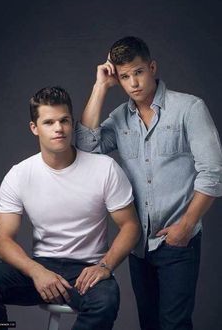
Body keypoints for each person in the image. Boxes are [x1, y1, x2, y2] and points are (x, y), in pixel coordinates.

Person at [75, 36, 222, 330]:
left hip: (178, 239)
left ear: (152, 67)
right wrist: (100, 86)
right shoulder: (119, 119)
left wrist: (186, 225)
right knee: (149, 324)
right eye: (125, 76)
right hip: (138, 246)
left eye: (139, 72)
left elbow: (213, 172)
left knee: (174, 324)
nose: (134, 83)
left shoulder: (189, 108)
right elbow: (86, 145)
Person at [0, 87, 141, 330]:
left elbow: (131, 226)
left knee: (106, 300)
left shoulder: (104, 168)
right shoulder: (19, 175)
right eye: (49, 122)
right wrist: (37, 271)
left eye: (64, 120)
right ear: (34, 128)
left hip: (87, 269)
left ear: (72, 123)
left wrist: (104, 265)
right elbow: (2, 241)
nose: (58, 128)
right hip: (41, 266)